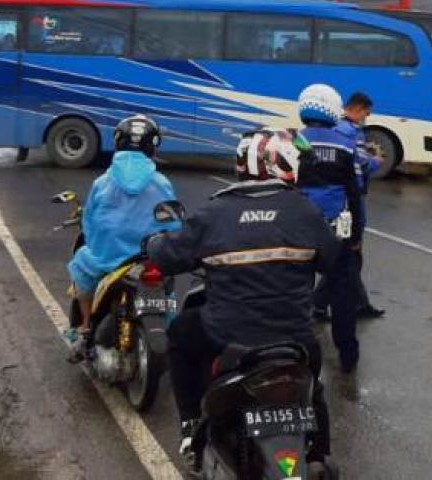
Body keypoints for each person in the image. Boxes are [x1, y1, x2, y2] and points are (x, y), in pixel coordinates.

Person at [145, 128, 337, 473]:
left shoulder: (214, 213)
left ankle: (190, 427)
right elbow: (334, 261)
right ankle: (318, 455)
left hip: (227, 335)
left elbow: (170, 256)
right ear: (283, 165)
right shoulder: (304, 212)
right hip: (293, 338)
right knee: (313, 383)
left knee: (180, 338)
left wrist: (154, 243)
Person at [65, 115, 177, 359]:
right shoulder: (162, 183)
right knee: (167, 292)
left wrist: (99, 245)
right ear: (152, 145)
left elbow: (90, 225)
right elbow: (173, 224)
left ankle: (84, 328)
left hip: (108, 259)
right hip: (149, 258)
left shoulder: (103, 182)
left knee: (81, 267)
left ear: (118, 143)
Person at [295, 83, 366, 374]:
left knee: (297, 294)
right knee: (342, 297)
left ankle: (294, 352)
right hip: (337, 233)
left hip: (298, 232)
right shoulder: (346, 144)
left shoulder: (293, 142)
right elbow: (356, 193)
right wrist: (356, 236)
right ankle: (347, 357)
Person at [336, 92, 385, 320]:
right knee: (350, 255)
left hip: (343, 196)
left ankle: (360, 302)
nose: (367, 116)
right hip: (353, 196)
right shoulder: (352, 132)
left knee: (350, 256)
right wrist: (376, 161)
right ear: (357, 108)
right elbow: (360, 167)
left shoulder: (337, 127)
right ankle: (320, 303)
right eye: (366, 112)